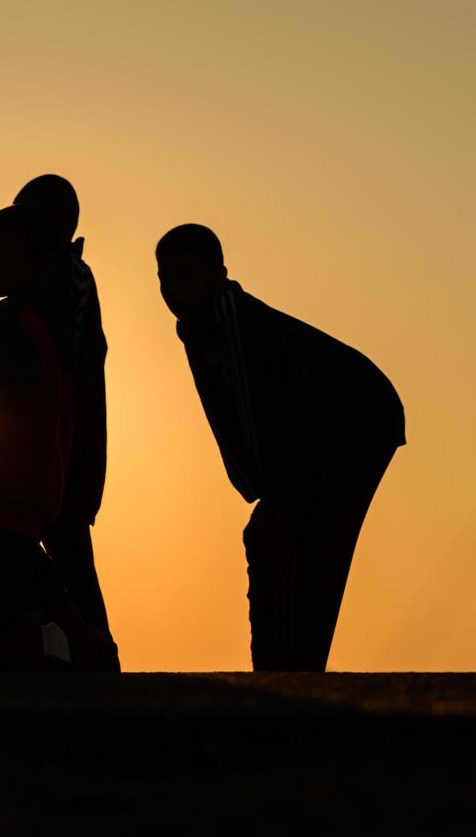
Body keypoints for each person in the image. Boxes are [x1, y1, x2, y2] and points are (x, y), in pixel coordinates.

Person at [155, 224, 405, 672]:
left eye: (186, 276)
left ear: (218, 274)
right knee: (294, 543)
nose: (174, 289)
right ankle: (290, 668)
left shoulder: (229, 318)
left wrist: (270, 493)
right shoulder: (198, 326)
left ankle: (291, 671)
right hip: (331, 431)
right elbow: (230, 415)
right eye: (165, 279)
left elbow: (254, 409)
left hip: (357, 420)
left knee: (303, 543)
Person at [0, 174, 119, 670]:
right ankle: (70, 648)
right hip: (45, 463)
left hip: (32, 466)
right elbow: (23, 365)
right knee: (34, 569)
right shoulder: (40, 303)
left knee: (16, 571)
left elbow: (30, 370)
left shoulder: (57, 290)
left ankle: (51, 660)